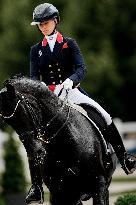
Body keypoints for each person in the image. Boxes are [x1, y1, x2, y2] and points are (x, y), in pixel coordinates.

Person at [27, 2, 136, 204]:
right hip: (48, 97)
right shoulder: (36, 50)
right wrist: (39, 86)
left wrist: (71, 80)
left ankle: (124, 158)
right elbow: (33, 76)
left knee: (104, 115)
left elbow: (82, 68)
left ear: (55, 21)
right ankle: (36, 186)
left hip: (71, 91)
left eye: (46, 22)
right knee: (33, 136)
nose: (43, 27)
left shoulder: (69, 43)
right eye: (40, 24)